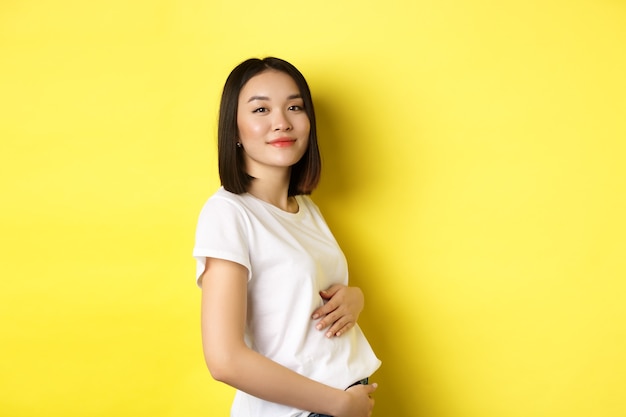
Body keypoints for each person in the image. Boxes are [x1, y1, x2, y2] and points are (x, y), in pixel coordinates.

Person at [193, 57, 381, 417]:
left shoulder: (306, 209)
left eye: (294, 107)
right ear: (233, 130)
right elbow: (224, 359)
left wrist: (354, 298)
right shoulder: (228, 212)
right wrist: (339, 404)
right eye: (261, 109)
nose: (281, 122)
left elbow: (301, 305)